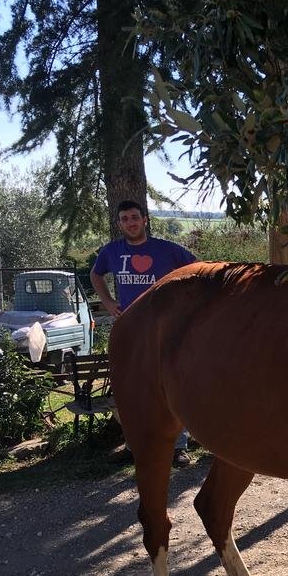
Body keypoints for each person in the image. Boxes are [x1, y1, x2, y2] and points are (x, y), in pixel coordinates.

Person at [91, 200, 197, 466]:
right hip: (129, 329)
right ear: (119, 223)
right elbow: (96, 275)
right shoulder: (111, 251)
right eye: (125, 219)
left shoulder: (167, 249)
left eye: (135, 217)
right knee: (132, 390)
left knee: (171, 387)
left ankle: (178, 448)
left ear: (145, 220)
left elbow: (198, 268)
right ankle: (134, 445)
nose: (131, 223)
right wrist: (108, 302)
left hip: (165, 330)